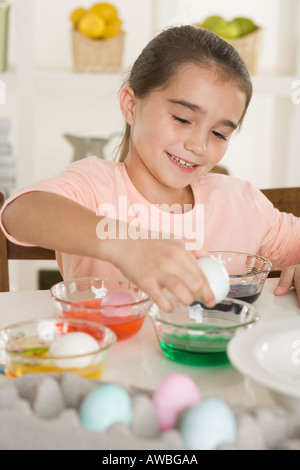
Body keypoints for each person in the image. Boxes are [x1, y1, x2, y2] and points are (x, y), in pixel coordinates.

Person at [0, 25, 299, 310]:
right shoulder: (95, 186)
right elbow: (19, 212)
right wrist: (127, 246)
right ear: (131, 105)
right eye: (182, 119)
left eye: (219, 133)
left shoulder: (241, 204)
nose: (199, 146)